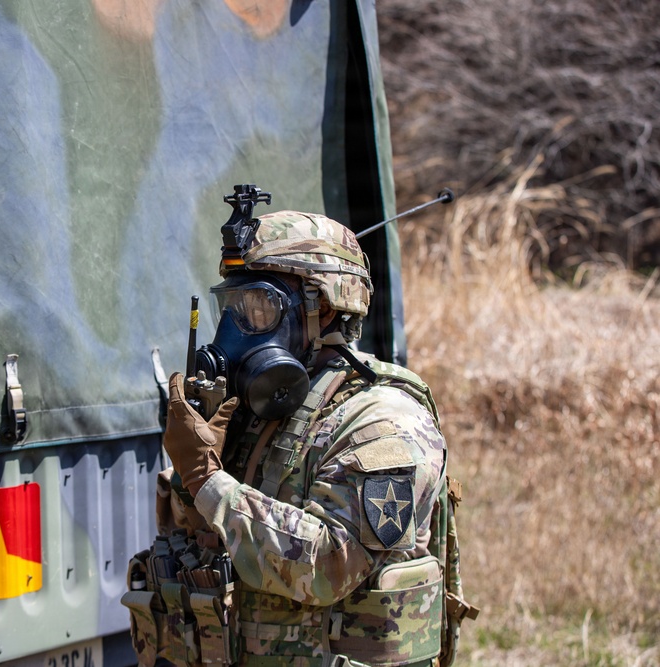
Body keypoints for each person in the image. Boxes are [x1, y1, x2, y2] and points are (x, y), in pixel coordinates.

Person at [123, 196, 476, 667]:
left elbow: (331, 565)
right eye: (231, 307)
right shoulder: (265, 408)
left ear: (323, 309)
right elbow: (209, 538)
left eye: (258, 308)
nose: (236, 328)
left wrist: (207, 480)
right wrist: (197, 471)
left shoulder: (384, 421)